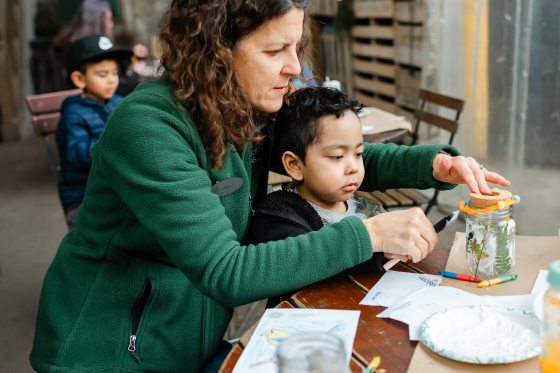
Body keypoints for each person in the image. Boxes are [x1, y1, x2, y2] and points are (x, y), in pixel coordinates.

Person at [30, 1, 510, 372]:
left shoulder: (246, 103)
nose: (295, 68)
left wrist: (437, 165)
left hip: (192, 332)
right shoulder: (149, 128)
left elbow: (322, 154)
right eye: (275, 50)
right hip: (111, 346)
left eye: (296, 48)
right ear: (216, 51)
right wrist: (370, 234)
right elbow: (226, 270)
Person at [251, 86, 389, 306]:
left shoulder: (369, 210)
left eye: (359, 154)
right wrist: (378, 253)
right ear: (295, 165)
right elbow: (305, 271)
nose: (353, 167)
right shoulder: (279, 218)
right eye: (336, 156)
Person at [56, 35, 132, 228]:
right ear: (79, 79)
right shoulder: (73, 114)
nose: (112, 80)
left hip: (117, 190)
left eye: (114, 73)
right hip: (83, 197)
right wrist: (117, 148)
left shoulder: (118, 102)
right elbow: (77, 154)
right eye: (102, 74)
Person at [54, 0, 149, 95]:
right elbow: (107, 88)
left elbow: (112, 66)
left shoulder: (92, 45)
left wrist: (134, 57)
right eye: (109, 19)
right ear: (98, 20)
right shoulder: (77, 49)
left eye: (114, 73)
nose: (112, 24)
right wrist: (135, 74)